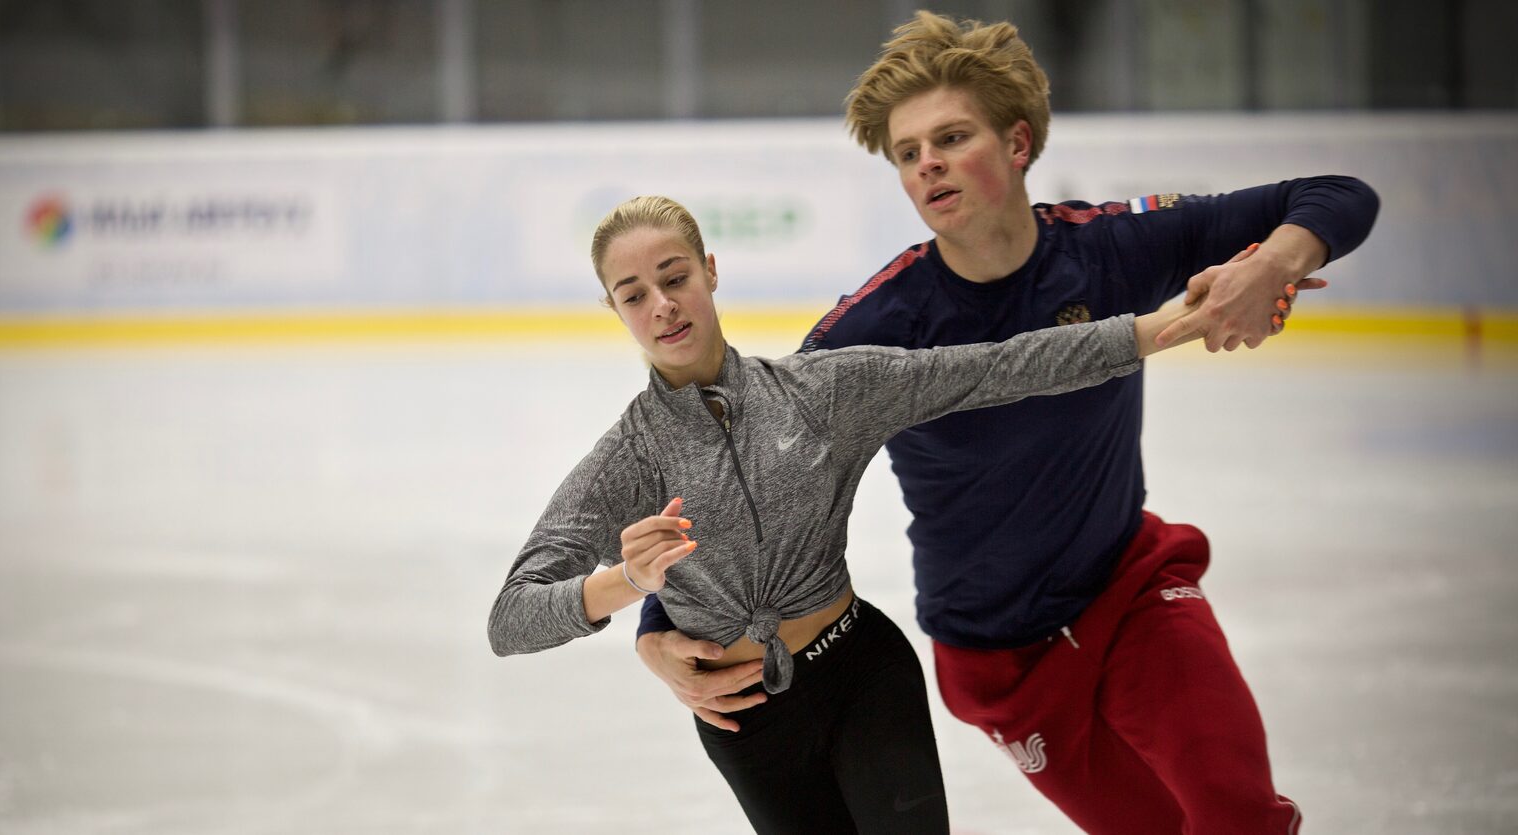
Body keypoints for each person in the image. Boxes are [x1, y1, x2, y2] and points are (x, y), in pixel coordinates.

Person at [634, 12, 1380, 835]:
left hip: (1133, 594)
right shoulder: (877, 327)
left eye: (951, 137)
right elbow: (741, 472)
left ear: (1019, 143)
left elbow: (1338, 195)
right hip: (998, 660)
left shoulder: (1109, 251)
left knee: (1236, 814)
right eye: (909, 154)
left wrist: (1274, 261)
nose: (928, 165)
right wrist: (654, 625)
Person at [488, 195, 1256, 834]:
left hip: (863, 676)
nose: (661, 306)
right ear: (613, 309)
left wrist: (1166, 326)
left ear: (710, 272)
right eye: (632, 294)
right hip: (745, 723)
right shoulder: (628, 456)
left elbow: (1002, 366)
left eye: (674, 276)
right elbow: (511, 616)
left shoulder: (823, 392)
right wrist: (626, 584)